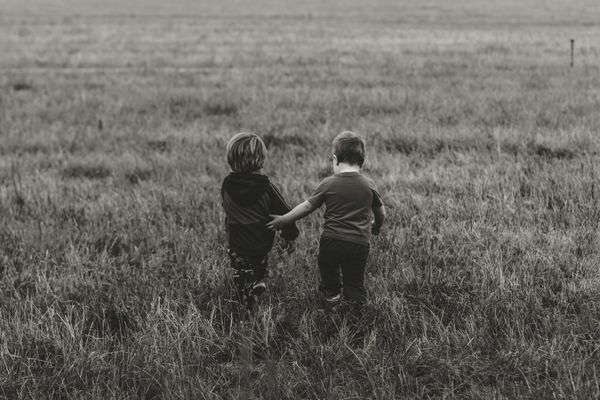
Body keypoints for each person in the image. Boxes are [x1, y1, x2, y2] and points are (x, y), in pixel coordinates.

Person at [267, 131, 385, 307]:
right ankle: (357, 304)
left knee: (328, 270)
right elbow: (381, 212)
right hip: (359, 244)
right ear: (363, 161)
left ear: (335, 159)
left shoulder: (328, 183)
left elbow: (307, 206)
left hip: (332, 241)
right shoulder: (369, 184)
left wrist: (284, 219)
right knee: (354, 278)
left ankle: (332, 295)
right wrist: (376, 226)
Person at [221, 132, 299, 308]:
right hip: (260, 240)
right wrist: (290, 235)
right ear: (261, 160)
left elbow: (225, 205)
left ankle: (245, 295)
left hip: (237, 241)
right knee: (259, 262)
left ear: (231, 159)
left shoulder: (227, 185)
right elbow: (285, 212)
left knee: (241, 268)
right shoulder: (266, 187)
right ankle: (259, 280)